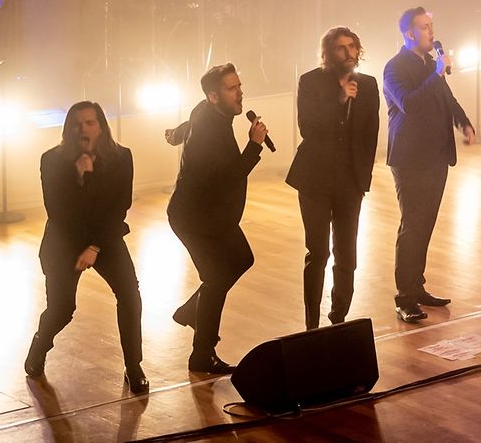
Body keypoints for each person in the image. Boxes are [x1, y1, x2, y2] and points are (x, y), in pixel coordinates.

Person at [24, 101, 146, 393]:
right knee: (63, 309)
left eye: (90, 123)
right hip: (64, 242)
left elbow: (119, 207)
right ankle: (40, 345)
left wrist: (95, 246)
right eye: (77, 124)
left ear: (101, 128)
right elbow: (58, 212)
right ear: (68, 130)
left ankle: (134, 365)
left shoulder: (121, 157)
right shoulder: (52, 161)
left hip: (104, 238)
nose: (84, 129)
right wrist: (80, 177)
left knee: (130, 296)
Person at [166, 63, 268, 374]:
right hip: (195, 217)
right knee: (216, 278)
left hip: (214, 214)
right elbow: (226, 178)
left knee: (241, 259)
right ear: (214, 96)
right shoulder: (210, 132)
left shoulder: (209, 113)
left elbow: (191, 120)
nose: (240, 92)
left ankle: (191, 311)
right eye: (231, 88)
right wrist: (253, 146)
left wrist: (174, 134)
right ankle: (202, 354)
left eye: (239, 85)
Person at [384, 7, 475, 323]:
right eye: (424, 27)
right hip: (410, 159)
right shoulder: (394, 68)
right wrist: (437, 73)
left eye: (431, 26)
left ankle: (417, 287)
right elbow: (409, 103)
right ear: (409, 33)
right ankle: (404, 297)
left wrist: (463, 122)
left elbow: (446, 99)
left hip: (435, 155)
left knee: (426, 224)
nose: (431, 32)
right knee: (413, 225)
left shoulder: (429, 65)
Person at [286, 27, 380, 330]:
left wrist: (363, 179)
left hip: (349, 182)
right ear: (329, 53)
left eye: (353, 47)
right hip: (314, 179)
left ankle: (339, 317)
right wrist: (339, 100)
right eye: (341, 48)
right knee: (318, 251)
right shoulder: (311, 81)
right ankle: (311, 322)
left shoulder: (367, 84)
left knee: (347, 254)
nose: (349, 53)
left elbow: (370, 135)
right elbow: (308, 127)